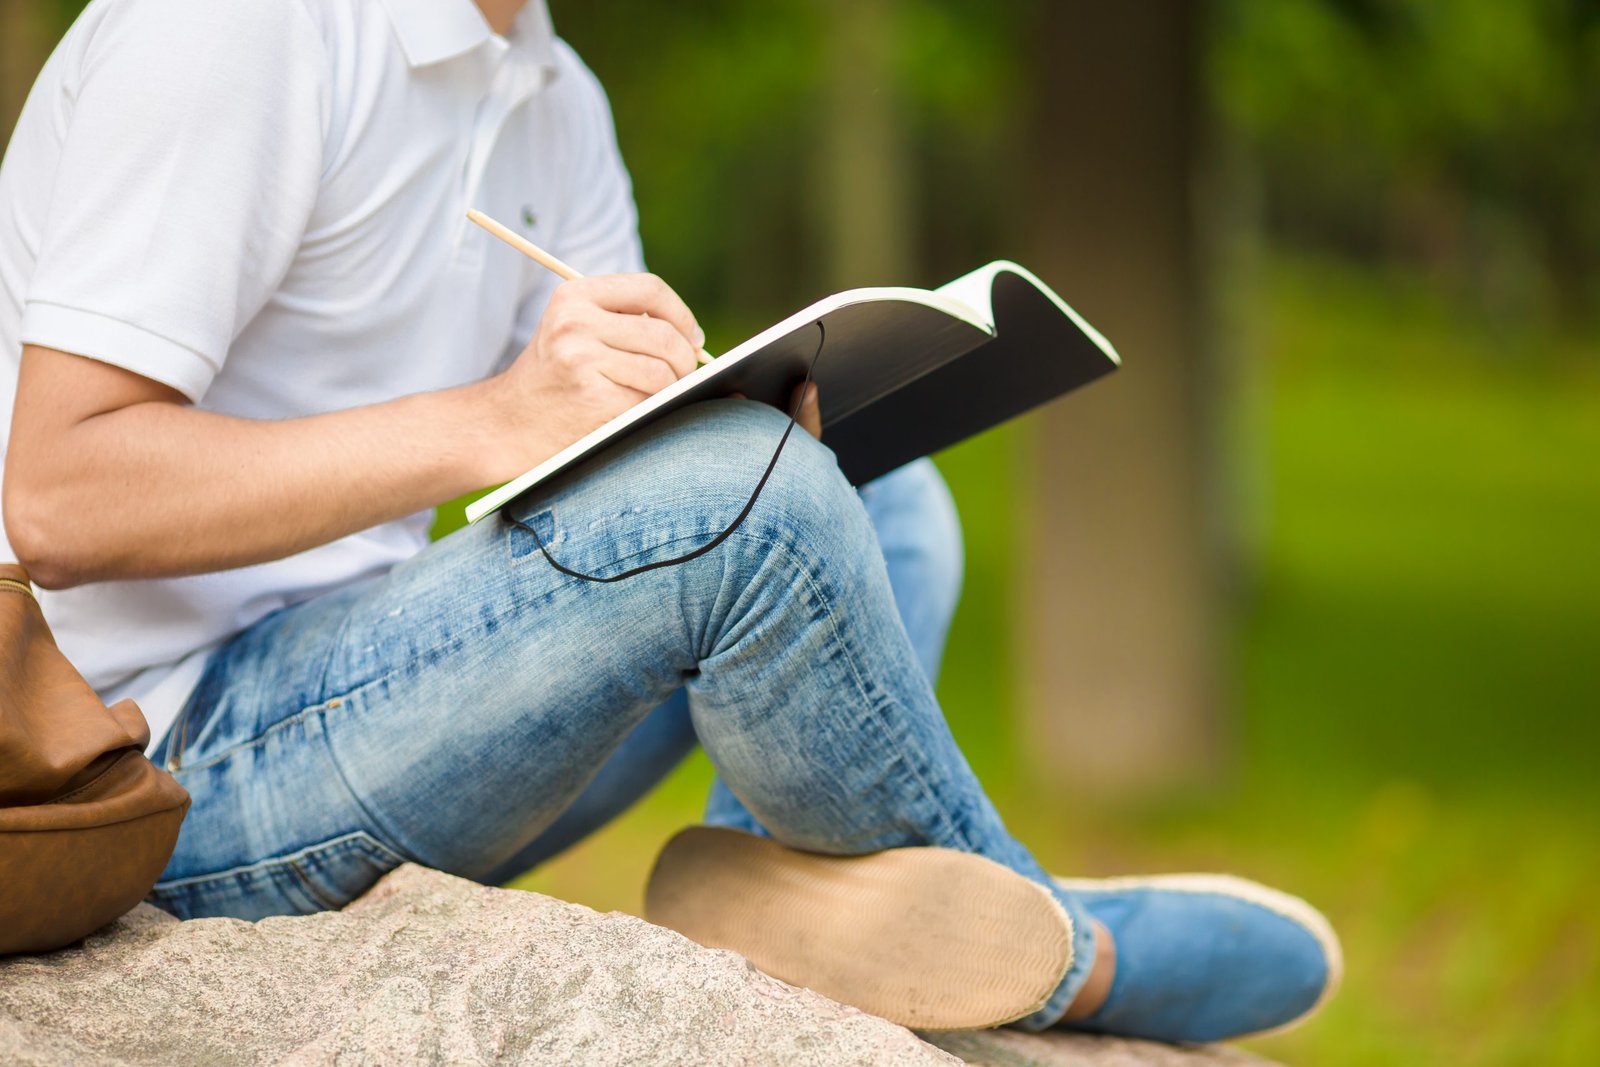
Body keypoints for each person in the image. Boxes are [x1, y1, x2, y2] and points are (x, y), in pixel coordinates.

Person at [0, 0, 1339, 1042]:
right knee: (740, 497)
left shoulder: (554, 96)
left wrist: (720, 423)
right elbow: (58, 494)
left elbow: (604, 470)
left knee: (887, 496)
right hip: (144, 772)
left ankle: (787, 891)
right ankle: (1053, 943)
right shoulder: (237, 33)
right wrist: (500, 420)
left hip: (373, 700)